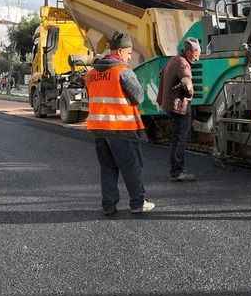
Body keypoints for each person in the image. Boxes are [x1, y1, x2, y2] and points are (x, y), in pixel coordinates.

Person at [85, 31, 154, 215]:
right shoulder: (123, 71)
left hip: (99, 129)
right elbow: (138, 97)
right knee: (131, 168)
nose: (130, 56)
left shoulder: (91, 74)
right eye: (129, 53)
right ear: (121, 51)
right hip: (121, 127)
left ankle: (109, 206)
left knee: (108, 168)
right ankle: (138, 203)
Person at [158, 37, 201, 182]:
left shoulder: (174, 60)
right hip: (179, 108)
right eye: (196, 52)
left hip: (169, 105)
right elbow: (186, 80)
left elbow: (161, 74)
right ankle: (177, 172)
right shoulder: (183, 64)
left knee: (176, 137)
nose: (198, 55)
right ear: (188, 52)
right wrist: (189, 91)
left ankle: (175, 170)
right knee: (180, 138)